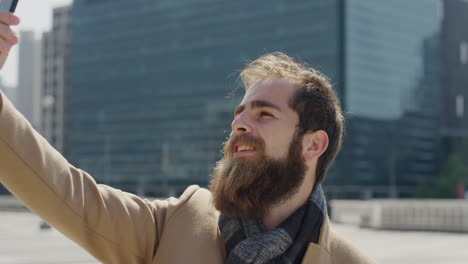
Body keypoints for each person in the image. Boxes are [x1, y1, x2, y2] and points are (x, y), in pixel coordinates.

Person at [0, 12, 373, 264]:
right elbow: (61, 189)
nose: (239, 125)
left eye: (264, 114)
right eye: (239, 113)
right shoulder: (175, 222)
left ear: (313, 144)